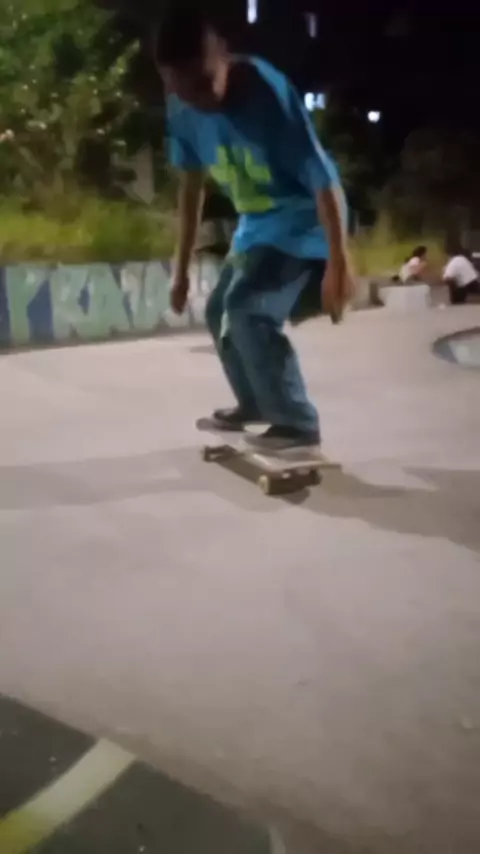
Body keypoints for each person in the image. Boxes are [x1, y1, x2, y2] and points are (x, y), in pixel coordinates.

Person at [155, 4, 353, 451]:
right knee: (218, 312)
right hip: (257, 227)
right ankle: (256, 403)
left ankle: (297, 422)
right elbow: (191, 192)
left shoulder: (266, 90)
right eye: (181, 89)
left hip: (305, 221)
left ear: (223, 55)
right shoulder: (181, 108)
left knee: (248, 309)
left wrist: (339, 264)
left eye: (204, 83)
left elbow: (322, 178)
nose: (198, 99)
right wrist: (180, 271)